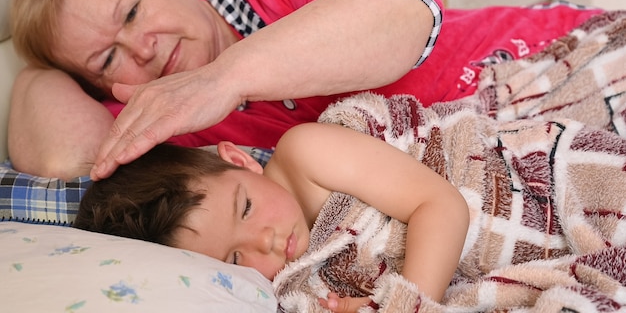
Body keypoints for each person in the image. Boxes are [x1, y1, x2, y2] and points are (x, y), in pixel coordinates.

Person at [8, 0, 602, 181]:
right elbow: (69, 166)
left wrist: (227, 77)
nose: (140, 49)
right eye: (105, 59)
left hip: (547, 56)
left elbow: (407, 10)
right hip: (510, 155)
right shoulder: (155, 120)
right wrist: (35, 71)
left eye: (132, 12)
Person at [73, 122, 470, 312]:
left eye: (245, 208)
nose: (263, 242)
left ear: (240, 161)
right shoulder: (286, 288)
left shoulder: (307, 153)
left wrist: (404, 306)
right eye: (234, 259)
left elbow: (440, 204)